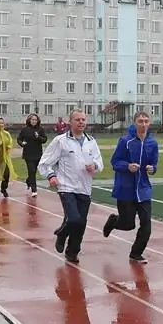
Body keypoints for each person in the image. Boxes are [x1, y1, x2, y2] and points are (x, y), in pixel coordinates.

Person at [38, 109, 104, 263]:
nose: (81, 122)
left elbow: (99, 163)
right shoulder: (61, 141)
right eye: (77, 120)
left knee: (81, 223)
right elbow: (45, 162)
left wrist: (94, 166)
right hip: (66, 187)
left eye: (83, 120)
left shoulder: (91, 141)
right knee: (74, 219)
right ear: (70, 122)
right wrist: (51, 175)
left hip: (85, 188)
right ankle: (62, 234)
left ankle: (72, 251)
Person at [102, 112, 159, 264]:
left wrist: (152, 169)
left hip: (143, 189)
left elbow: (154, 164)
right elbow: (115, 162)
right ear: (134, 123)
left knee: (146, 225)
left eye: (146, 121)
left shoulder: (152, 143)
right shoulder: (125, 141)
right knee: (128, 224)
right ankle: (114, 221)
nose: (144, 124)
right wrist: (127, 166)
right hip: (126, 188)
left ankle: (136, 253)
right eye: (140, 121)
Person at [17, 113, 48, 196]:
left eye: (35, 120)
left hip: (38, 154)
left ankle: (28, 180)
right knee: (31, 170)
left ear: (37, 121)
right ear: (29, 120)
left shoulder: (40, 129)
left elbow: (44, 139)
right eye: (32, 120)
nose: (34, 121)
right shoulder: (25, 129)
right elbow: (19, 139)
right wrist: (22, 143)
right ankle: (34, 190)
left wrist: (38, 137)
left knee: (34, 172)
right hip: (28, 154)